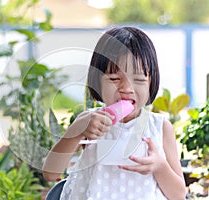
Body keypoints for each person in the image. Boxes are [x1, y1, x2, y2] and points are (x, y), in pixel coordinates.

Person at [42, 26, 186, 200]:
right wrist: (76, 132)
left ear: (151, 84)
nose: (126, 88)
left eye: (139, 79)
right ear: (97, 82)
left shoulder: (159, 127)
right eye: (114, 79)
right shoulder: (89, 122)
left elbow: (179, 195)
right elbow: (50, 173)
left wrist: (159, 166)